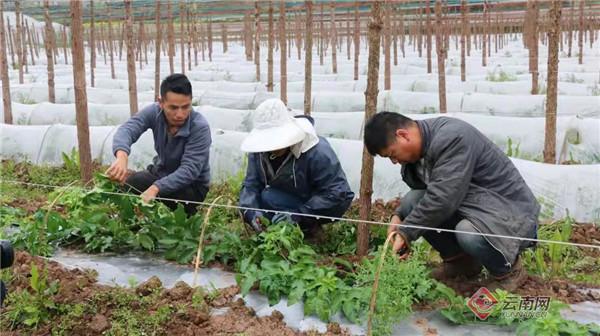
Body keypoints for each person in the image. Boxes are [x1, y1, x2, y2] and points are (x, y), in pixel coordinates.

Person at [364, 112, 539, 291]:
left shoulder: (452, 138)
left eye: (393, 154)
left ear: (403, 135)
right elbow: (429, 194)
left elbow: (443, 199)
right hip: (475, 205)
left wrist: (406, 232)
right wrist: (399, 216)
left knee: (468, 233)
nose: (394, 161)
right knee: (412, 201)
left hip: (509, 213)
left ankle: (508, 272)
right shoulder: (420, 150)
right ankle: (462, 263)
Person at [239, 98, 354, 238]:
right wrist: (250, 212)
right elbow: (251, 184)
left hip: (318, 202)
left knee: (278, 202)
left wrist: (298, 215)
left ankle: (310, 229)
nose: (272, 148)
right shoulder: (259, 152)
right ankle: (274, 233)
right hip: (287, 197)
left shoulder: (316, 151)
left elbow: (337, 193)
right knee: (268, 197)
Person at [106, 73, 211, 215]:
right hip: (161, 173)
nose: (180, 114)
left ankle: (179, 214)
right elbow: (128, 129)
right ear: (160, 102)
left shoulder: (199, 127)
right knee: (131, 184)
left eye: (186, 107)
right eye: (173, 108)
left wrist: (156, 188)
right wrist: (122, 156)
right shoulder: (154, 112)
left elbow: (189, 170)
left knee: (165, 200)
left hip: (191, 187)